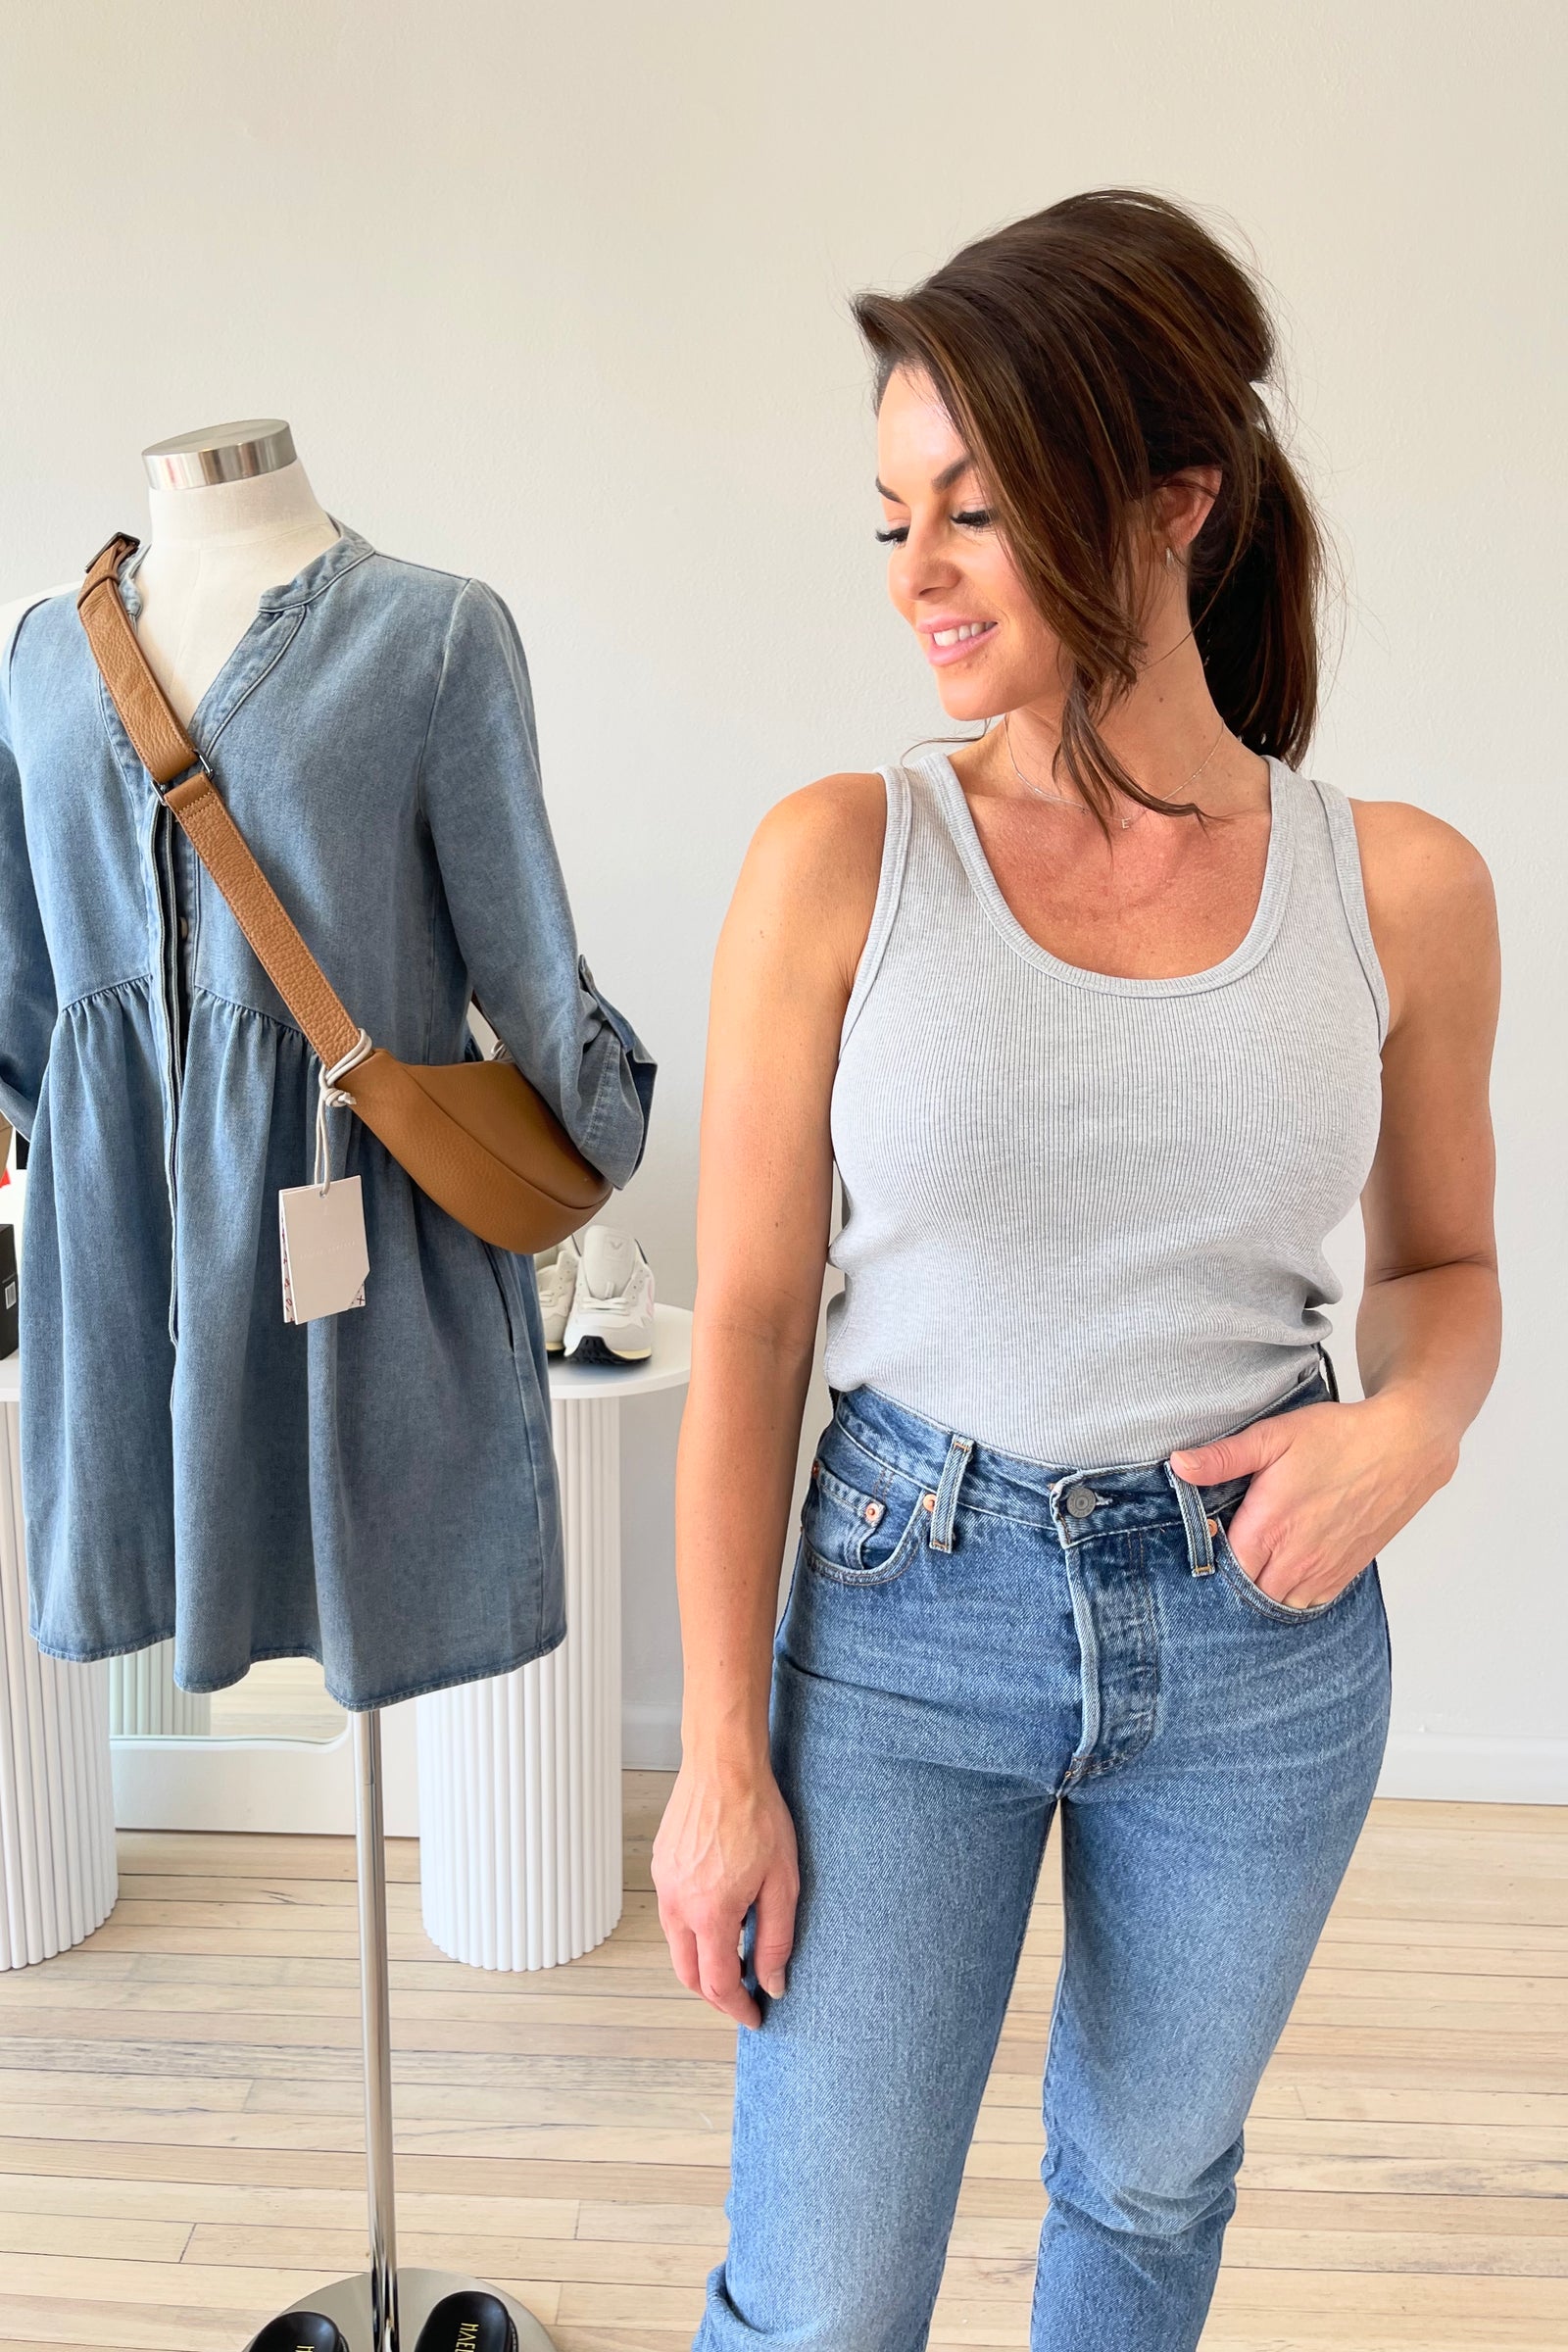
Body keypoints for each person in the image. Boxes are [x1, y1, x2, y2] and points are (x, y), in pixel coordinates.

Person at [653, 189, 1500, 2352]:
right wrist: (717, 1756)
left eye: (972, 510)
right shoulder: (844, 857)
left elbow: (1444, 1263)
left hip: (1256, 1646)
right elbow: (744, 1324)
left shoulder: (1389, 889)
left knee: (1140, 2196)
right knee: (824, 2295)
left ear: (1166, 503)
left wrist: (1407, 1425)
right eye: (887, 520)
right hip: (898, 1613)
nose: (914, 574)